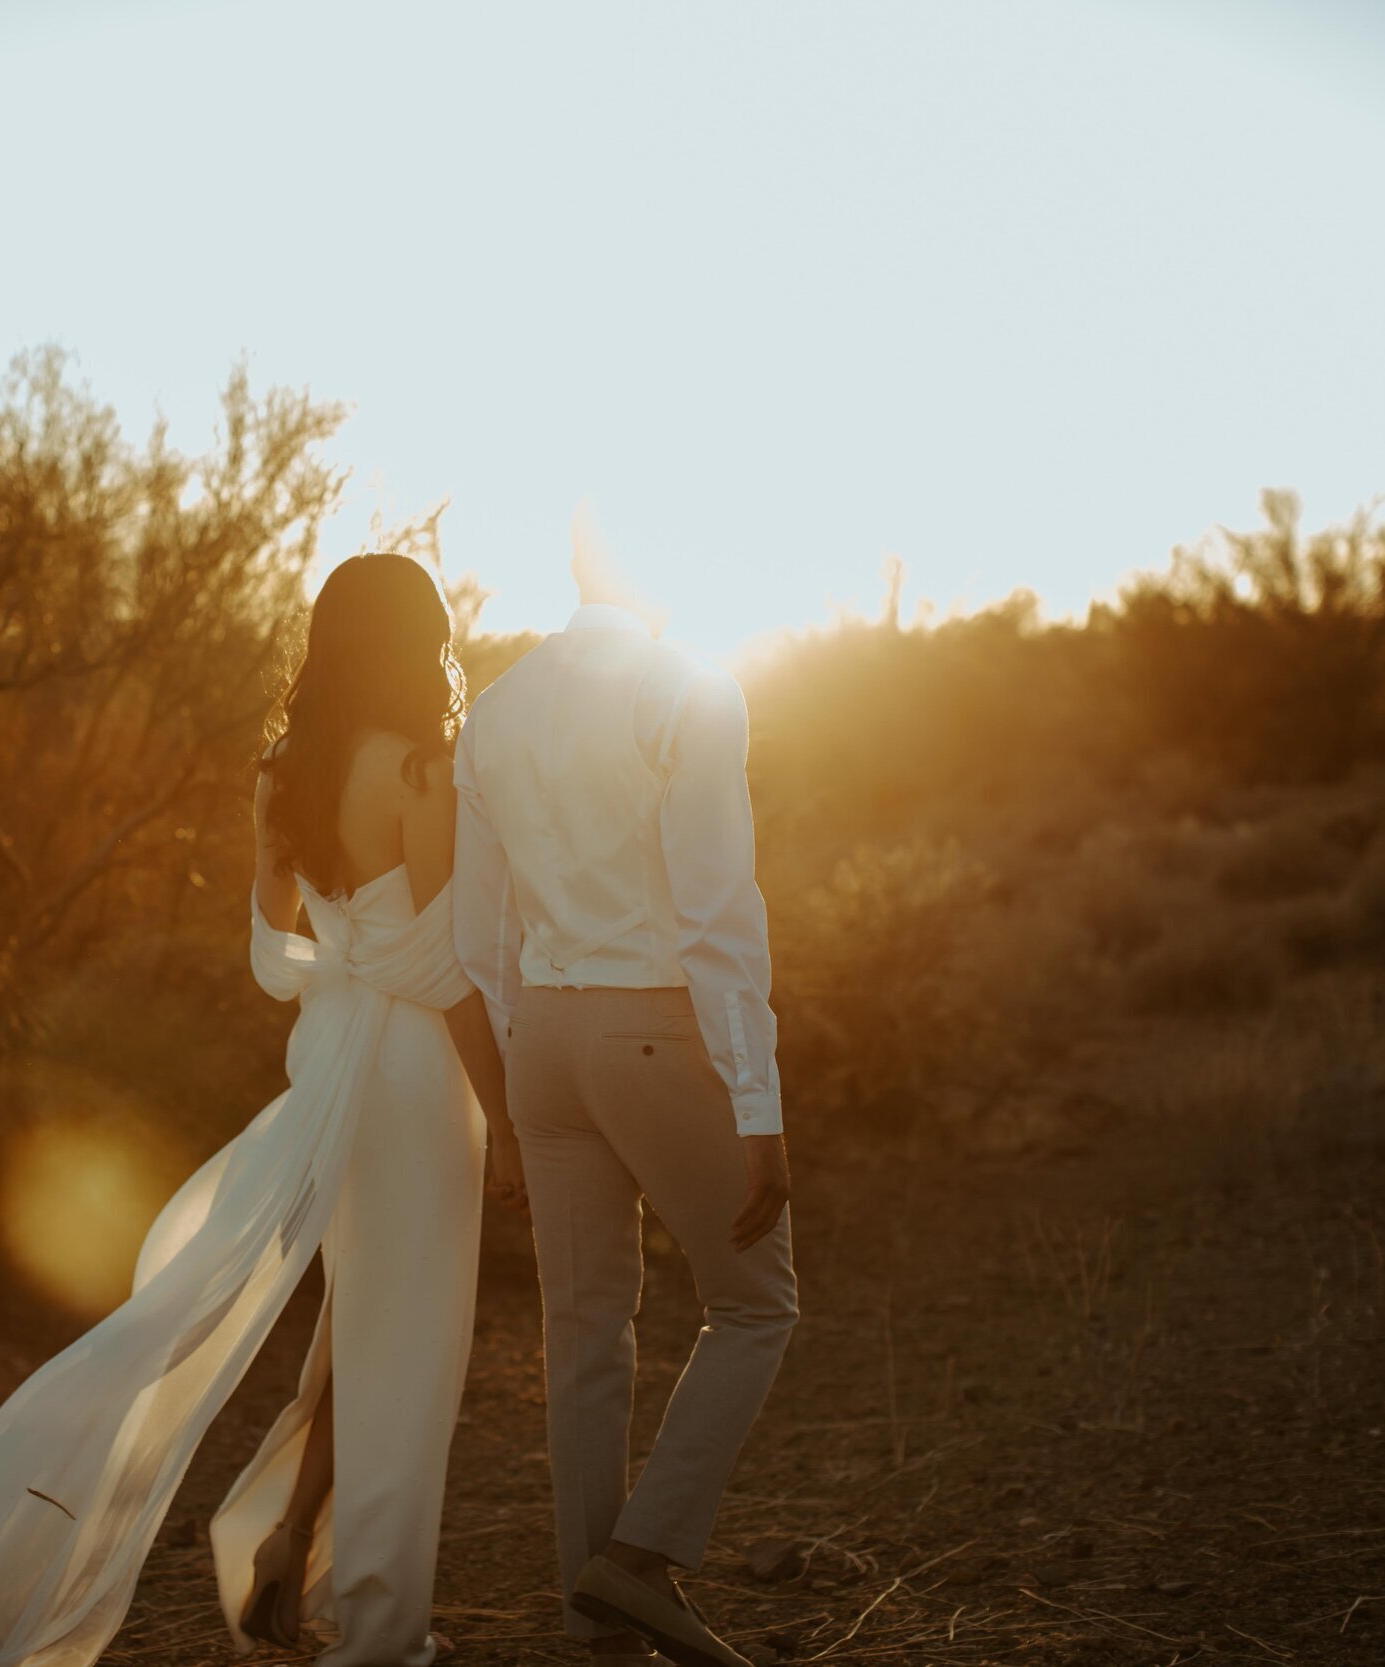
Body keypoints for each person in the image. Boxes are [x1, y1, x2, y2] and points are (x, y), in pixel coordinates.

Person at [0, 552, 525, 1667]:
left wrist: (345, 964)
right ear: (411, 640)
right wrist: (510, 1111)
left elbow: (268, 953)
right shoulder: (423, 769)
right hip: (416, 1079)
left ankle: (291, 1541)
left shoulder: (281, 770)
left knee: (360, 1332)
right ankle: (381, 1633)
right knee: (410, 1349)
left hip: (330, 1057)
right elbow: (444, 966)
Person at [452, 505, 798, 1667]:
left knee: (583, 1333)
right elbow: (715, 918)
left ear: (573, 560)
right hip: (649, 1025)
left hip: (542, 1034)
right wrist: (760, 1103)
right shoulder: (688, 690)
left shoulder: (494, 710)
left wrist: (511, 1093)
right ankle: (639, 1561)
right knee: (756, 1299)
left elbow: (476, 935)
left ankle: (593, 1621)